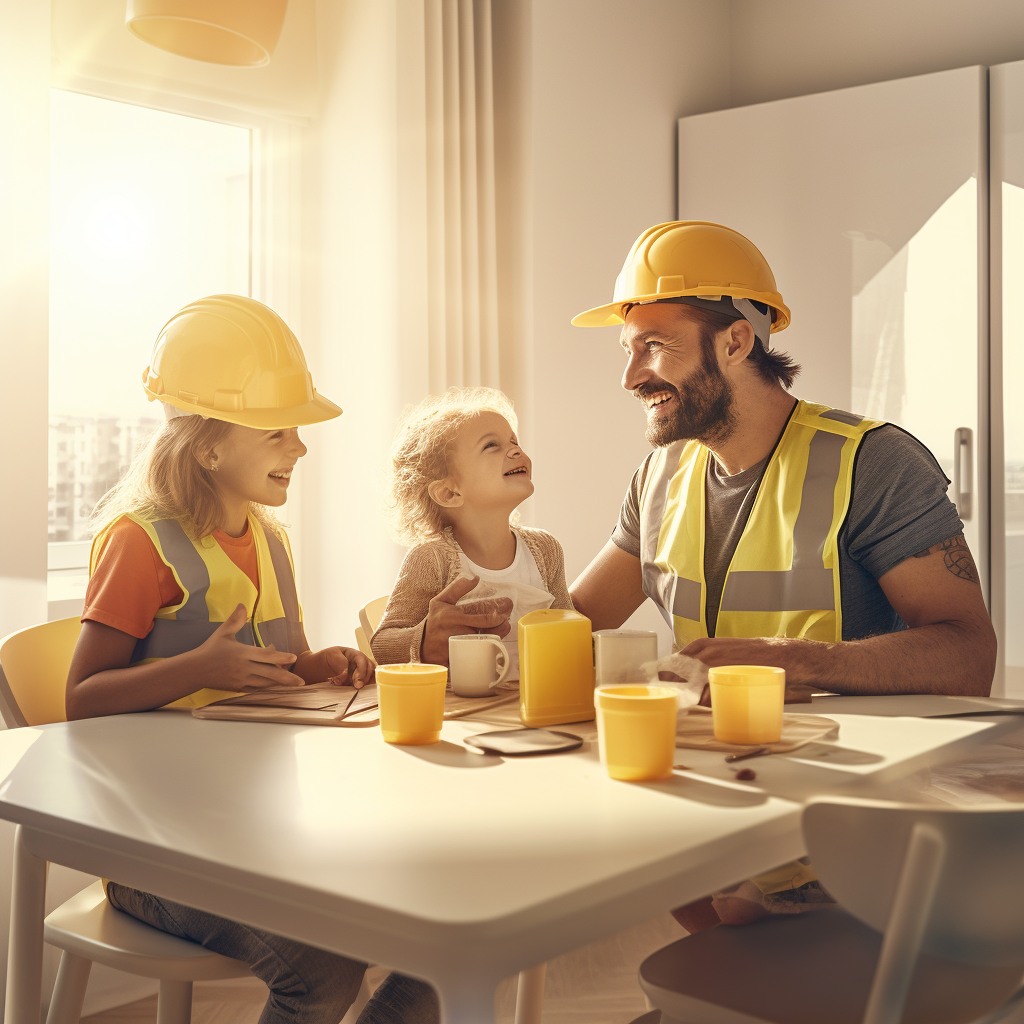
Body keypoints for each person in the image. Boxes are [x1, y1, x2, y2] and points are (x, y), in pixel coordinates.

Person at [566, 220, 997, 929]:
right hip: (722, 805)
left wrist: (791, 661)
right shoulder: (659, 476)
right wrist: (474, 603)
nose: (631, 375)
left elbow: (969, 655)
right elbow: (576, 625)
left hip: (855, 827)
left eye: (656, 346)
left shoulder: (874, 463)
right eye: (628, 349)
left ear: (737, 341)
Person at [66, 294, 438, 1024]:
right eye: (278, 433)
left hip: (252, 830)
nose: (299, 448)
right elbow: (80, 698)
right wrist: (197, 669)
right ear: (208, 447)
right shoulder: (139, 544)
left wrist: (316, 666)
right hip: (154, 850)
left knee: (439, 928)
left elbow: (277, 670)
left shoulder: (270, 542)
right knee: (324, 974)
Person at [371, 387, 573, 670]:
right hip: (461, 710)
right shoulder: (432, 559)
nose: (517, 450)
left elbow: (571, 630)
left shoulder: (546, 550)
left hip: (539, 705)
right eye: (492, 445)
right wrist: (425, 639)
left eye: (514, 441)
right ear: (450, 493)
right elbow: (383, 644)